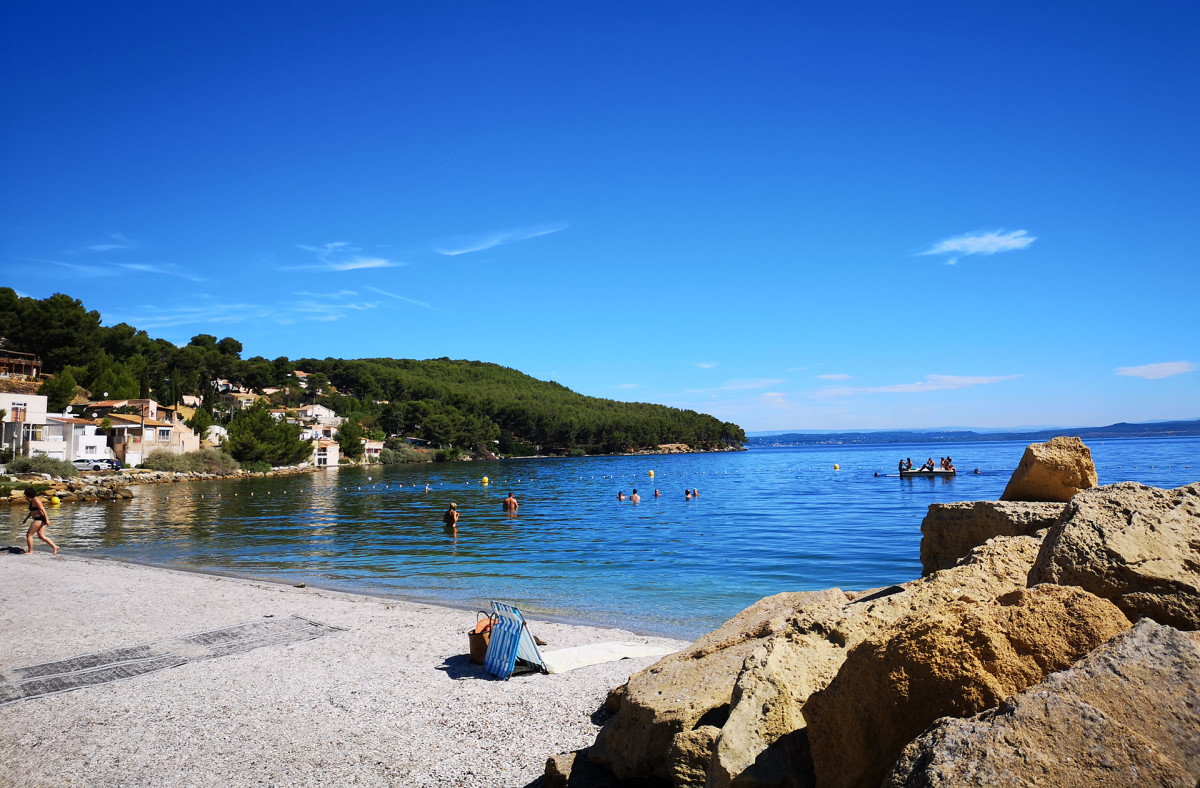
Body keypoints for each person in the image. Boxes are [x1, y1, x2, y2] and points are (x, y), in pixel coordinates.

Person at [22, 488, 59, 555]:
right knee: (42, 536)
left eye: (26, 494)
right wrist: (26, 519)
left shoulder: (36, 500)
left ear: (28, 494)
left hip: (39, 519)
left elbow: (43, 510)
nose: (25, 495)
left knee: (29, 535)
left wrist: (47, 520)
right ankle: (55, 547)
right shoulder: (32, 500)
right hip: (38, 519)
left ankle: (30, 551)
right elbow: (32, 511)